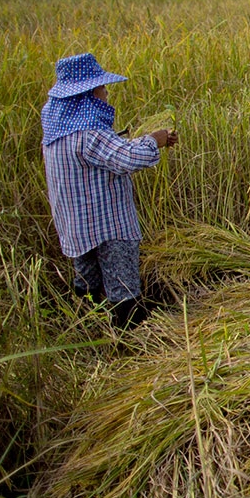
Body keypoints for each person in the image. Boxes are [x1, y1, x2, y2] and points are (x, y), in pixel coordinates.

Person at [41, 53, 178, 330]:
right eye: (103, 88)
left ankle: (88, 329)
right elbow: (127, 158)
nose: (106, 93)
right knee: (122, 286)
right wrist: (155, 139)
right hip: (108, 225)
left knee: (87, 281)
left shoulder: (56, 134)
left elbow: (108, 153)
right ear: (88, 94)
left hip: (76, 226)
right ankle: (130, 338)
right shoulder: (89, 134)